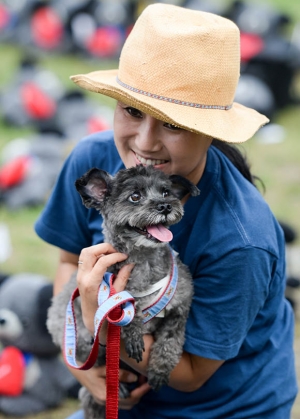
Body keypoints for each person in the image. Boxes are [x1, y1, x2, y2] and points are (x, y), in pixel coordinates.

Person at [35, 3, 298, 418]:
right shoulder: (96, 160)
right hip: (120, 387)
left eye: (173, 123)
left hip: (216, 407)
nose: (145, 141)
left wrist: (97, 316)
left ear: (211, 130)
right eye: (133, 110)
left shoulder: (242, 240)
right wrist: (78, 355)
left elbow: (192, 373)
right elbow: (70, 261)